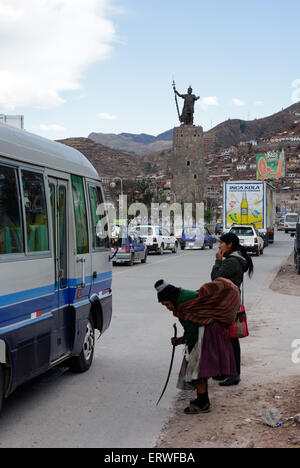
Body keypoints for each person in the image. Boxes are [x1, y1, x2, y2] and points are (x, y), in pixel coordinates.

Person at [154, 278, 240, 414]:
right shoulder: (182, 298)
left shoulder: (183, 305)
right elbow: (192, 328)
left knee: (196, 370)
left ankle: (203, 403)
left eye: (166, 304)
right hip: (207, 331)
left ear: (171, 298)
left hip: (206, 333)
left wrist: (191, 351)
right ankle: (203, 400)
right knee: (198, 370)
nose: (168, 308)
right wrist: (182, 340)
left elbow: (192, 331)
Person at [211, 232, 254, 386]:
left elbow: (215, 281)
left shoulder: (231, 262)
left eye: (222, 243)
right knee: (226, 339)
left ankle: (234, 374)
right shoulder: (236, 259)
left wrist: (217, 261)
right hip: (230, 303)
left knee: (230, 339)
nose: (219, 245)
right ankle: (227, 371)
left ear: (229, 245)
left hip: (228, 304)